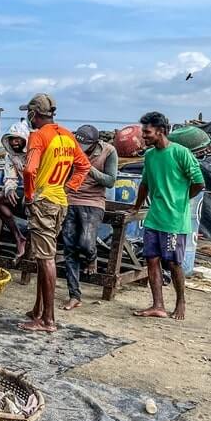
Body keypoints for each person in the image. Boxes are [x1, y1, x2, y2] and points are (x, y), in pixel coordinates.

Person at [18, 93, 91, 333]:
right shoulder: (67, 136)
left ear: (33, 114)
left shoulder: (38, 136)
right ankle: (38, 309)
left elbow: (29, 170)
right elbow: (84, 165)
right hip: (59, 200)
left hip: (43, 200)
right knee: (43, 256)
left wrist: (29, 195)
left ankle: (47, 320)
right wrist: (69, 187)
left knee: (46, 258)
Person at [130, 112, 205, 321]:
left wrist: (182, 200)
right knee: (151, 260)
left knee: (173, 263)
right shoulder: (149, 156)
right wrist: (136, 207)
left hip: (174, 221)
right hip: (154, 218)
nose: (143, 136)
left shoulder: (181, 153)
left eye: (147, 132)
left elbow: (199, 182)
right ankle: (158, 305)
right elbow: (145, 183)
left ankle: (180, 302)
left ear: (160, 131)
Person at [61, 125, 117, 310]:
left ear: (95, 143)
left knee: (85, 243)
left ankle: (91, 256)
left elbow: (110, 181)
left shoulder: (108, 151)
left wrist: (87, 167)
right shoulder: (71, 149)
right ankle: (74, 295)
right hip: (71, 198)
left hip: (93, 202)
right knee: (69, 248)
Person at [0, 120, 31, 258]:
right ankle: (19, 237)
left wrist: (31, 192)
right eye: (12, 139)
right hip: (26, 190)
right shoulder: (10, 156)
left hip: (42, 192)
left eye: (18, 139)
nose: (14, 142)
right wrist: (9, 189)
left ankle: (34, 248)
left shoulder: (35, 152)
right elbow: (10, 177)